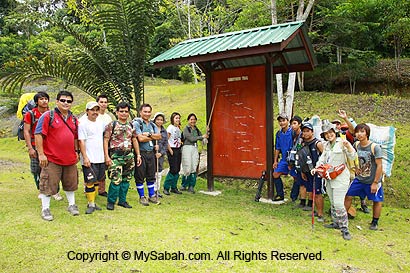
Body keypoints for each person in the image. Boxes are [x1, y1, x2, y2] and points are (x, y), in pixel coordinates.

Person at [34, 90, 80, 221]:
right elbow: (38, 135)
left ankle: (72, 205)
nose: (66, 103)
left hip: (69, 159)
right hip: (52, 159)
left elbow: (76, 137)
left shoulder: (74, 119)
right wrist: (41, 154)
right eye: (63, 100)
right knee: (48, 184)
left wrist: (76, 152)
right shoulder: (49, 116)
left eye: (69, 101)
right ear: (57, 101)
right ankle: (45, 209)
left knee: (71, 183)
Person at [311, 120, 356, 240]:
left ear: (334, 132)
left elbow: (353, 156)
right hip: (329, 176)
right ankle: (335, 222)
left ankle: (344, 228)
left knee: (338, 203)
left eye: (330, 132)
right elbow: (322, 158)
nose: (328, 135)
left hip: (340, 177)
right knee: (332, 200)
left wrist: (348, 146)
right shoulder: (325, 145)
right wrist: (316, 168)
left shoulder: (342, 142)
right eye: (326, 133)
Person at [23, 92, 64, 201]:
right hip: (35, 145)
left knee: (53, 169)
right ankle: (41, 190)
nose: (44, 101)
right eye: (41, 99)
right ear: (36, 102)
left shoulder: (53, 114)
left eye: (46, 98)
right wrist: (30, 148)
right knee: (36, 169)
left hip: (50, 146)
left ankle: (55, 191)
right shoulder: (30, 114)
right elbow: (26, 131)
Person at [344, 123, 384, 230]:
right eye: (357, 132)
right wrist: (356, 168)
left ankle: (375, 222)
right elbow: (354, 157)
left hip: (372, 180)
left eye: (362, 131)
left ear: (367, 133)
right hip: (360, 178)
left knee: (376, 200)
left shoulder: (374, 147)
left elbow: (380, 165)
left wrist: (375, 182)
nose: (359, 134)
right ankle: (342, 219)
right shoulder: (356, 145)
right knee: (348, 195)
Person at [104, 102, 141, 210]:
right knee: (116, 179)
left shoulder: (131, 125)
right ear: (117, 112)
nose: (124, 113)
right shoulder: (112, 125)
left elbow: (134, 139)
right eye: (121, 111)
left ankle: (122, 200)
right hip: (116, 156)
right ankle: (111, 201)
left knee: (126, 180)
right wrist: (107, 156)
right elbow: (106, 140)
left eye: (126, 111)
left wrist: (138, 155)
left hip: (128, 156)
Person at [78, 101, 106, 214]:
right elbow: (81, 141)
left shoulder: (101, 123)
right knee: (89, 181)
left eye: (96, 110)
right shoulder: (82, 123)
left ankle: (93, 202)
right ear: (87, 111)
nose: (94, 112)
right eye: (92, 110)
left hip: (100, 157)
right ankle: (90, 204)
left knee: (97, 181)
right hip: (89, 157)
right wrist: (85, 157)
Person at [134, 104, 161, 206]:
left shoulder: (152, 125)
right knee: (140, 175)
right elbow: (140, 138)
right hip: (141, 153)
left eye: (149, 112)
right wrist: (153, 137)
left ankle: (151, 195)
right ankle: (141, 196)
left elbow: (159, 136)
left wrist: (149, 135)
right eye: (145, 112)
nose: (147, 114)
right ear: (140, 112)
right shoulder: (137, 123)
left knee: (151, 175)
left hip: (151, 153)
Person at [299, 122, 324, 221]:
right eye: (304, 131)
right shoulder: (303, 143)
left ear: (312, 132)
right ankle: (316, 210)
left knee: (318, 193)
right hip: (307, 171)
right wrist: (302, 171)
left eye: (307, 131)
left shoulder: (318, 143)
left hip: (317, 172)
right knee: (312, 192)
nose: (305, 133)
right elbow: (301, 158)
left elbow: (325, 156)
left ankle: (321, 214)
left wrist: (320, 169)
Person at [181, 113, 208, 193]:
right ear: (188, 120)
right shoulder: (186, 129)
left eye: (194, 119)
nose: (193, 121)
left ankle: (191, 186)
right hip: (187, 148)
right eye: (191, 119)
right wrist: (202, 137)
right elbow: (191, 139)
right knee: (187, 167)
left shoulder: (196, 129)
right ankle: (184, 184)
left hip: (194, 149)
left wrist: (205, 136)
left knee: (194, 167)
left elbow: (202, 138)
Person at [272, 113, 294, 202]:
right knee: (275, 174)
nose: (282, 123)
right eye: (280, 121)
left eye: (283, 120)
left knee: (296, 177)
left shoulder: (293, 132)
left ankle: (294, 197)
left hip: (292, 159)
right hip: (284, 159)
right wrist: (275, 161)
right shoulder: (279, 134)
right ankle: (280, 194)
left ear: (288, 121)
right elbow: (277, 148)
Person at [95, 94, 114, 197]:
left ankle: (102, 190)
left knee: (103, 168)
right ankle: (89, 189)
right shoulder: (93, 115)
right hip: (95, 145)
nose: (103, 104)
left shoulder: (108, 117)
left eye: (105, 102)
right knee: (93, 168)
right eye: (101, 102)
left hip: (106, 145)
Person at [163, 112, 183, 195]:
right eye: (176, 118)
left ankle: (174, 187)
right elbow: (166, 139)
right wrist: (169, 149)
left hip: (178, 149)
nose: (178, 119)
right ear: (172, 119)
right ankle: (166, 187)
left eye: (179, 118)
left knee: (177, 169)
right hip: (172, 149)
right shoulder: (170, 128)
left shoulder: (178, 128)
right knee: (173, 169)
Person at [152, 112, 168, 197]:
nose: (159, 121)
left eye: (161, 120)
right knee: (152, 173)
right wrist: (154, 148)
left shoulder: (164, 131)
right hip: (151, 154)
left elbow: (165, 144)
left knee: (159, 173)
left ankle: (157, 190)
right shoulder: (151, 129)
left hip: (160, 155)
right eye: (158, 119)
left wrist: (161, 153)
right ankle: (152, 190)